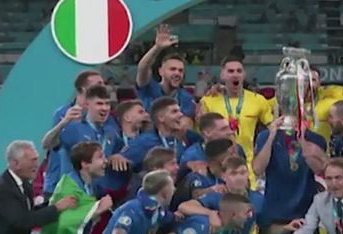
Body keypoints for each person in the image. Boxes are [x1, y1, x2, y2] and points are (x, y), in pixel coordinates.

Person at [199, 55, 273, 185]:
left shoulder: (258, 100)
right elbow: (203, 134)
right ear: (222, 75)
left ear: (244, 75)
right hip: (218, 168)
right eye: (230, 71)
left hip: (247, 168)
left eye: (239, 71)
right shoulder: (208, 100)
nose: (235, 75)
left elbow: (272, 128)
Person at [41, 70, 105, 199]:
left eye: (103, 83)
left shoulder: (102, 117)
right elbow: (49, 144)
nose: (103, 87)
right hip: (60, 186)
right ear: (83, 89)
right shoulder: (64, 114)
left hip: (89, 188)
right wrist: (64, 122)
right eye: (98, 83)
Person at [57, 85, 121, 196]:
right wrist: (63, 123)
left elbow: (117, 151)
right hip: (73, 193)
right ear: (87, 105)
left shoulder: (111, 132)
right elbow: (48, 144)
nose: (105, 108)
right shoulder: (74, 128)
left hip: (96, 192)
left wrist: (117, 156)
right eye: (99, 104)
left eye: (107, 104)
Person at [113, 97, 200, 172]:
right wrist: (116, 158)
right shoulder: (145, 141)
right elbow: (120, 160)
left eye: (179, 111)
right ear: (161, 118)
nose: (181, 114)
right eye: (174, 112)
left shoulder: (185, 137)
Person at [135, 24, 196, 127]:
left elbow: (186, 123)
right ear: (161, 72)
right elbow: (143, 68)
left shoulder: (186, 98)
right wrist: (157, 48)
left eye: (180, 71)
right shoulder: (149, 88)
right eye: (172, 69)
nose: (177, 73)